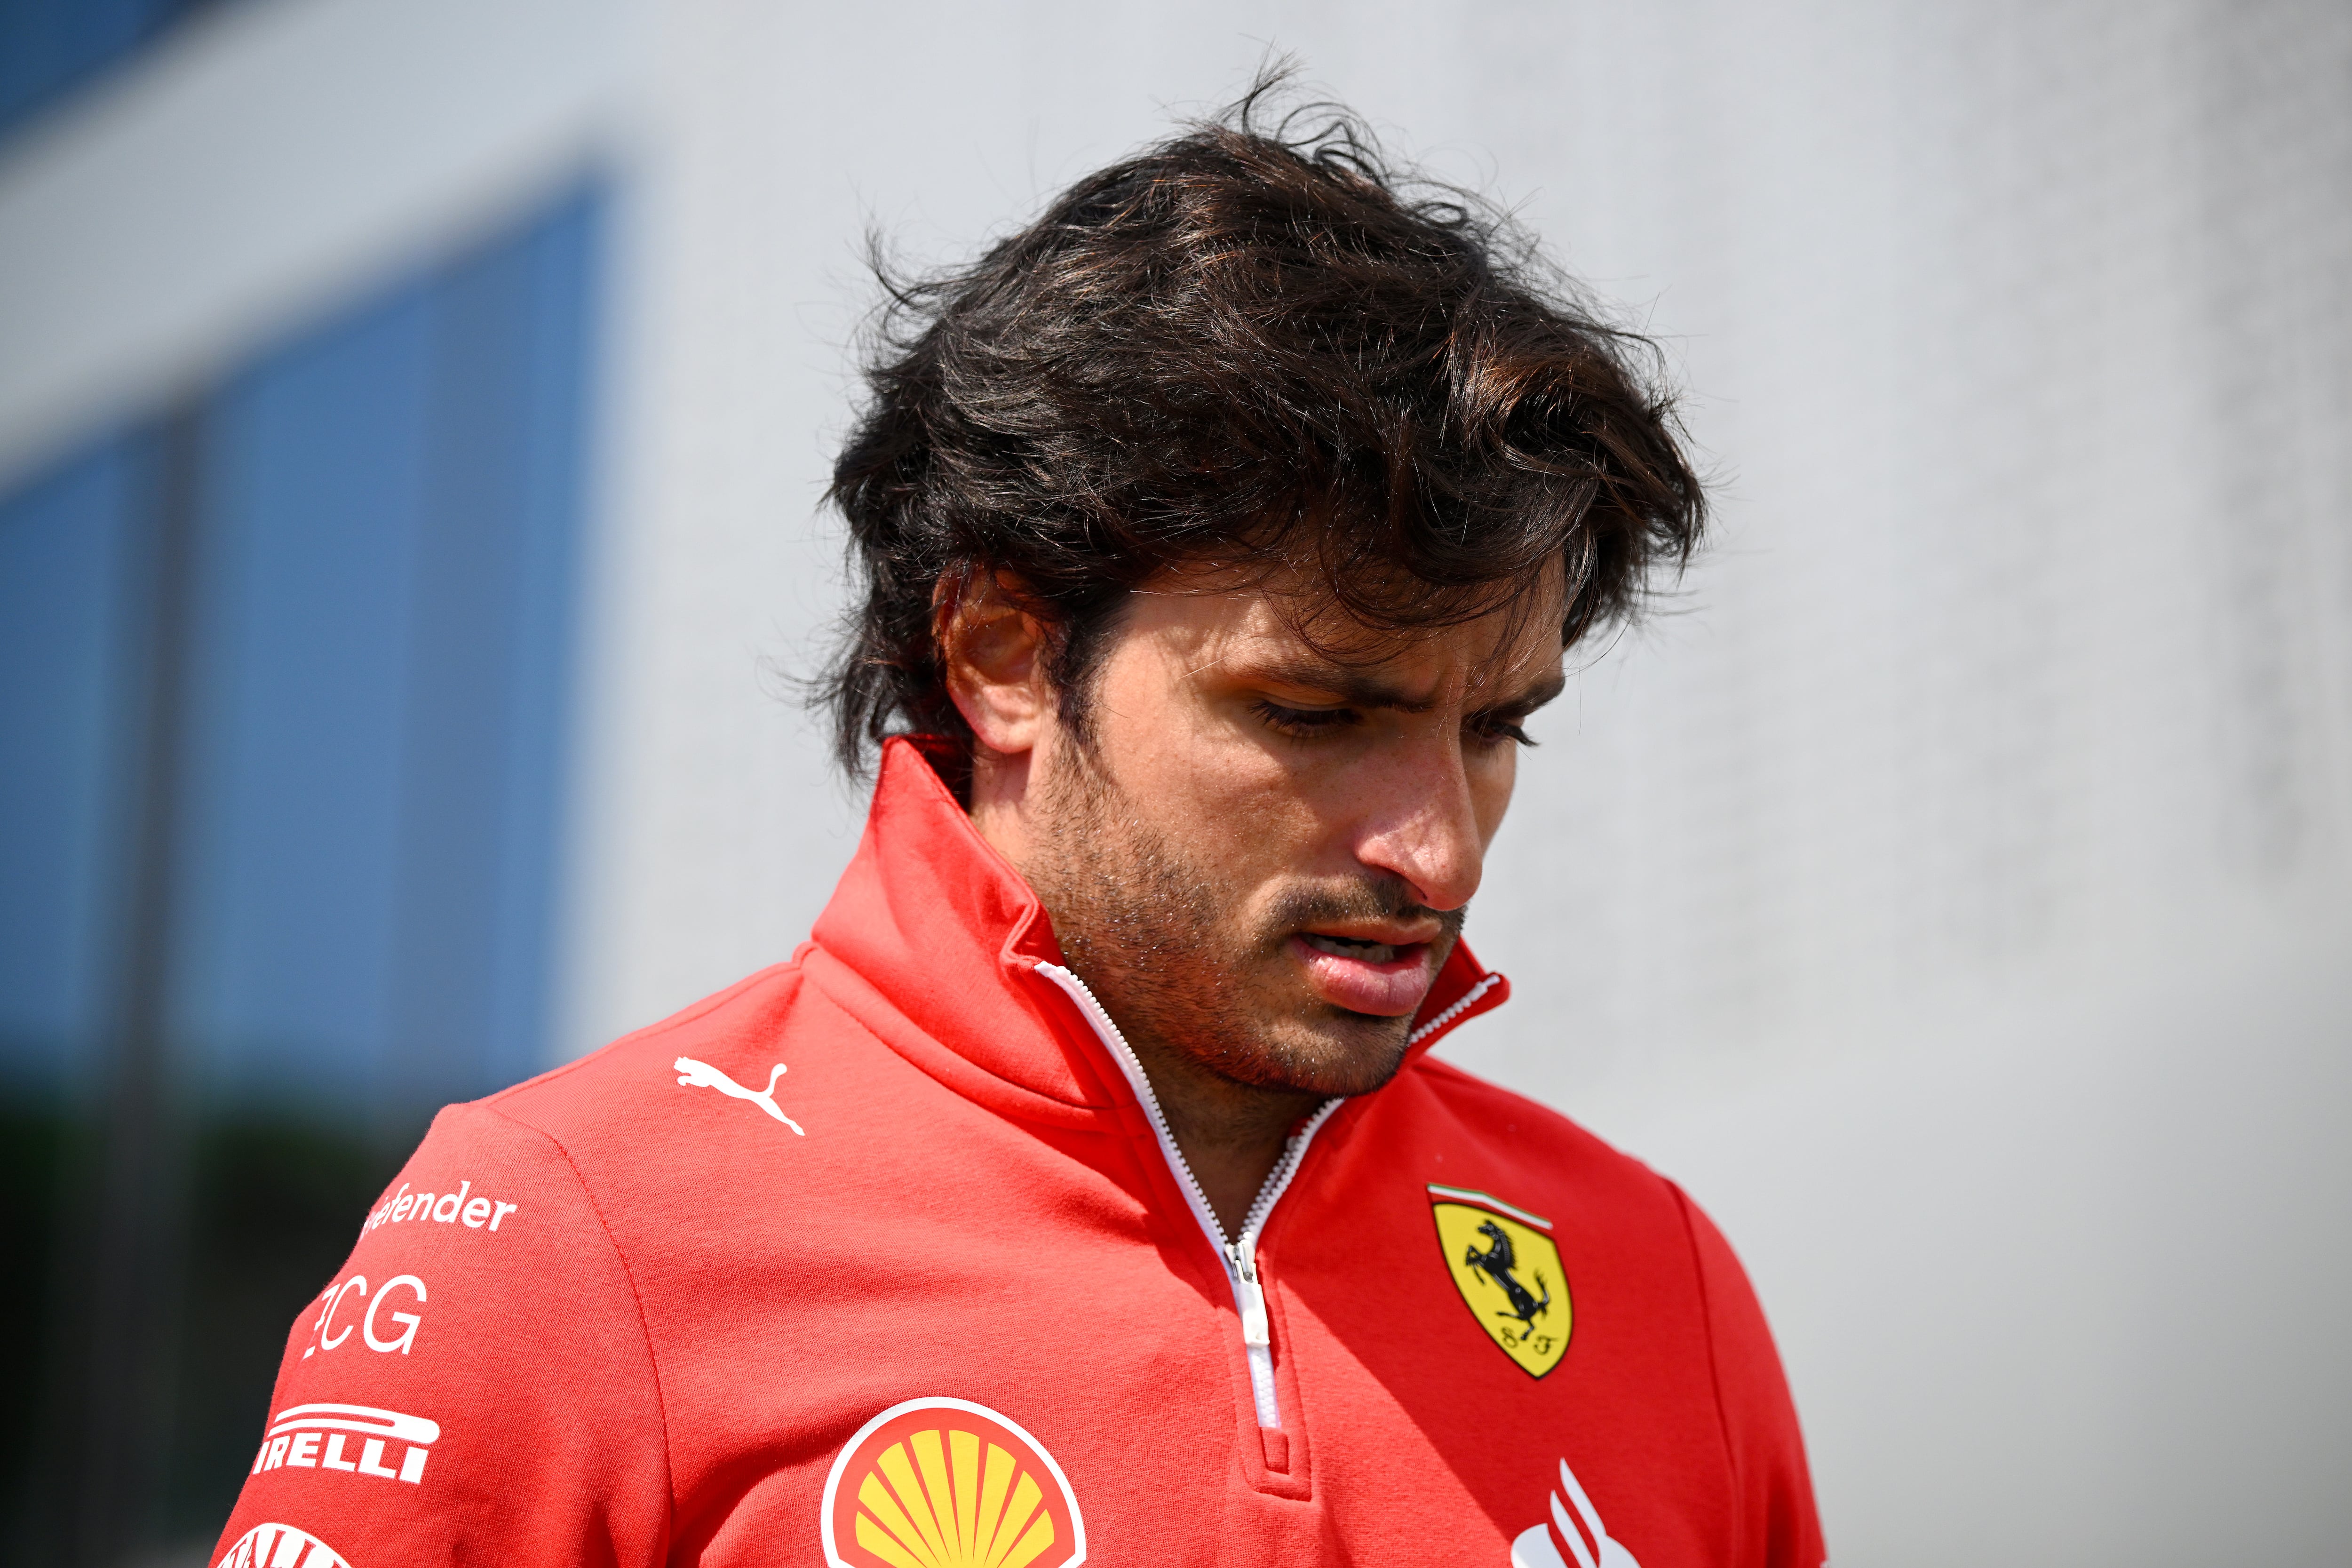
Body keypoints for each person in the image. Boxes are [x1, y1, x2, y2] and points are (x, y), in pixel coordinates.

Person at [212, 85, 1823, 1568]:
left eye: (1494, 728)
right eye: (1316, 714)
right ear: (1004, 657)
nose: (1441, 855)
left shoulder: (1653, 1281)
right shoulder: (558, 1231)